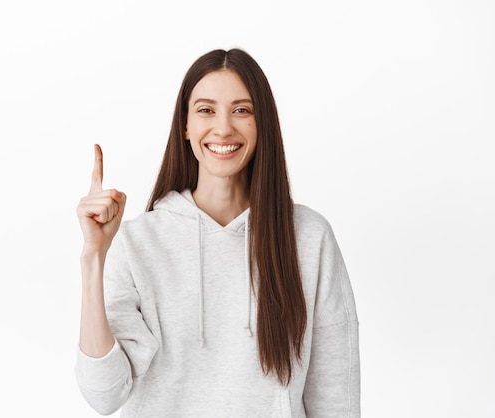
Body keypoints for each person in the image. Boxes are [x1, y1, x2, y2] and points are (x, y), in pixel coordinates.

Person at [75, 48, 360, 417]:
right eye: (206, 110)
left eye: (242, 110)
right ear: (186, 126)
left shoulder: (308, 238)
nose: (223, 127)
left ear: (262, 124)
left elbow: (336, 400)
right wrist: (93, 257)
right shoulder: (137, 243)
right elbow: (104, 394)